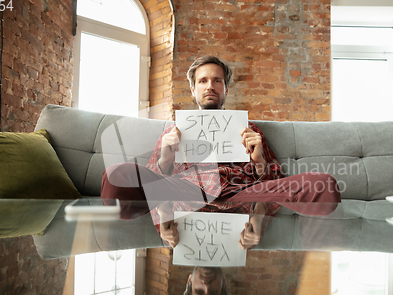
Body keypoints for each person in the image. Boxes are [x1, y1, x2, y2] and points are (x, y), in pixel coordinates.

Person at [101, 55, 341, 226]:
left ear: (226, 88)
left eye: (217, 81)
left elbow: (275, 182)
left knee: (324, 187)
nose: (210, 87)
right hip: (186, 191)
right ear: (193, 90)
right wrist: (166, 158)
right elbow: (154, 180)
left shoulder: (249, 129)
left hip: (242, 192)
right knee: (117, 179)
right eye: (203, 81)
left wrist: (258, 160)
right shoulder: (175, 131)